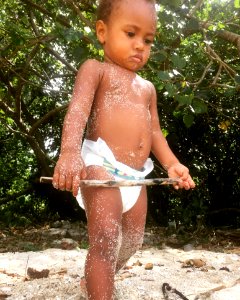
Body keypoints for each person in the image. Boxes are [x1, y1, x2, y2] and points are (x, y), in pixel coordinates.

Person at [52, 0, 195, 299]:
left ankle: (94, 278)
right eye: (130, 33)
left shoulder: (148, 88)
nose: (139, 45)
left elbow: (154, 132)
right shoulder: (96, 70)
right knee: (104, 241)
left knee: (131, 242)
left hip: (136, 176)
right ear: (102, 32)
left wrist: (172, 163)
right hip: (100, 166)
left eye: (147, 39)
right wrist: (68, 153)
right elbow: (77, 111)